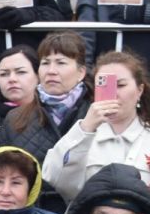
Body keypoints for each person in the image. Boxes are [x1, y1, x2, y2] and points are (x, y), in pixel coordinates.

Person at [0, 34, 90, 213]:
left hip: (84, 213)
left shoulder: (95, 115)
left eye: (61, 63)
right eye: (46, 63)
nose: (51, 70)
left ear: (81, 72)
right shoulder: (15, 118)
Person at [42, 51, 150, 199]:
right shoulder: (83, 132)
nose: (114, 94)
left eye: (121, 85)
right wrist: (85, 128)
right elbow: (54, 177)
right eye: (105, 86)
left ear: (140, 90)